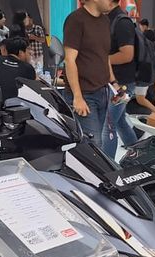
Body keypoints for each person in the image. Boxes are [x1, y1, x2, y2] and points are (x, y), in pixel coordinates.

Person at [63, 0, 115, 150]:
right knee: (93, 145)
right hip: (84, 94)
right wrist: (77, 97)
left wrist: (113, 82)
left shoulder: (105, 21)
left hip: (103, 90)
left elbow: (105, 56)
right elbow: (70, 60)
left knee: (99, 142)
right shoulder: (76, 20)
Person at [102, 0, 138, 159]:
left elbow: (127, 55)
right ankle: (137, 155)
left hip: (122, 84)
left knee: (108, 125)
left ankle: (107, 167)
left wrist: (101, 59)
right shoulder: (111, 20)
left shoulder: (122, 22)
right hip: (116, 83)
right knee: (120, 121)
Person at [0, 36, 36, 103]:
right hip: (13, 107)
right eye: (28, 52)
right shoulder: (27, 67)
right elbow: (36, 87)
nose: (30, 54)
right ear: (21, 53)